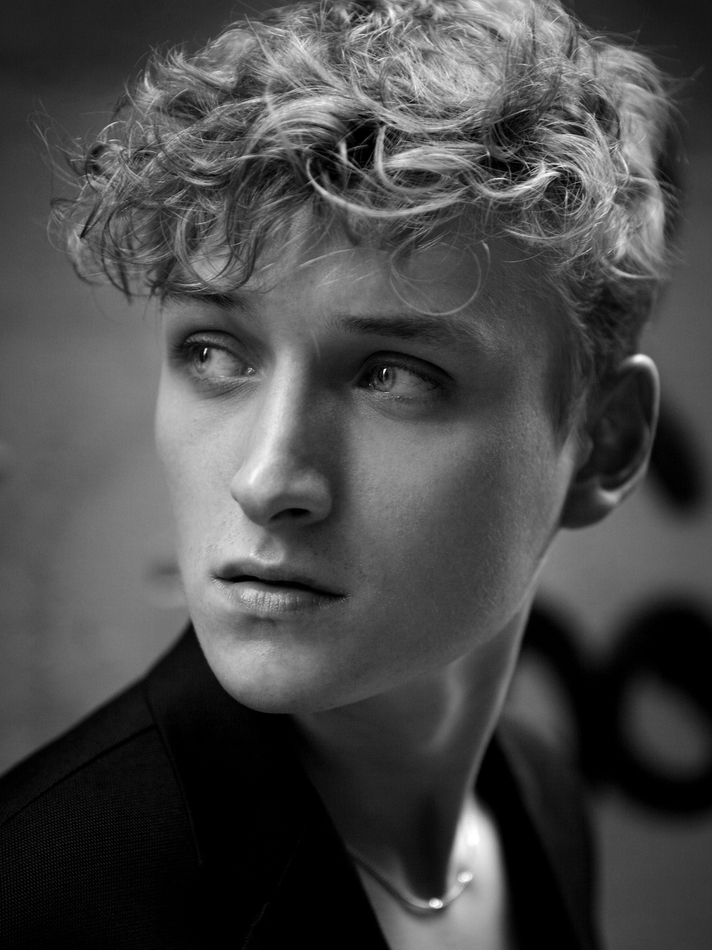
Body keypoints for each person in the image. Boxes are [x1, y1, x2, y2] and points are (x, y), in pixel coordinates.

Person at [0, 1, 679, 947]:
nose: (267, 479)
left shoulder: (539, 798)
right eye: (214, 353)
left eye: (393, 375)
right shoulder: (42, 897)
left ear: (604, 443)